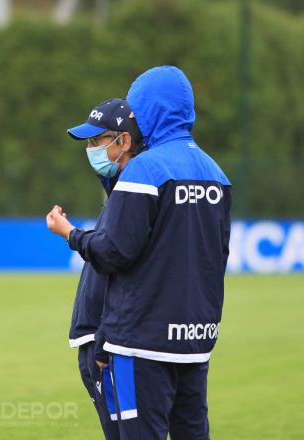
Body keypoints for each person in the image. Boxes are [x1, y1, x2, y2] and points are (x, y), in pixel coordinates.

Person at [46, 66, 232, 440]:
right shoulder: (216, 172)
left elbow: (115, 252)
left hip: (139, 342)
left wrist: (70, 234)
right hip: (195, 340)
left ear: (148, 109)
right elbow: (217, 256)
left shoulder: (147, 169)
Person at [64, 98, 145, 440]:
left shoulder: (135, 191)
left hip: (108, 342)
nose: (91, 150)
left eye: (98, 141)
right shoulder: (119, 188)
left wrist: (70, 233)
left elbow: (115, 258)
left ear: (123, 141)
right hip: (101, 339)